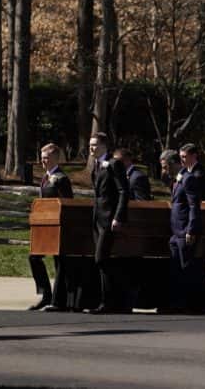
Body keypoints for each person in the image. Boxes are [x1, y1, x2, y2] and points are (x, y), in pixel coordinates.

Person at [166, 143, 205, 313]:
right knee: (177, 268)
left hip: (185, 230)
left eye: (184, 157)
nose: (182, 160)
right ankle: (178, 302)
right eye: (180, 157)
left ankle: (191, 304)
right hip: (176, 230)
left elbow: (194, 206)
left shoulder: (191, 177)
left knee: (187, 268)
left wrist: (191, 229)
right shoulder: (182, 175)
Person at [87, 132, 130, 314]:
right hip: (98, 218)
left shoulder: (114, 164)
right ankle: (112, 300)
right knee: (102, 260)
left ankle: (109, 301)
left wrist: (118, 217)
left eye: (95, 145)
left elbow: (123, 191)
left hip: (109, 219)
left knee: (101, 258)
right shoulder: (96, 166)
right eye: (90, 145)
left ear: (104, 146)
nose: (91, 148)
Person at [28, 144, 73, 312]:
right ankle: (46, 294)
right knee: (34, 258)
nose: (42, 160)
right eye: (41, 156)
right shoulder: (45, 178)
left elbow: (67, 203)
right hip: (45, 227)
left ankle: (58, 300)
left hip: (58, 228)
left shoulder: (61, 178)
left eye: (46, 157)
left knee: (59, 262)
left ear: (55, 158)